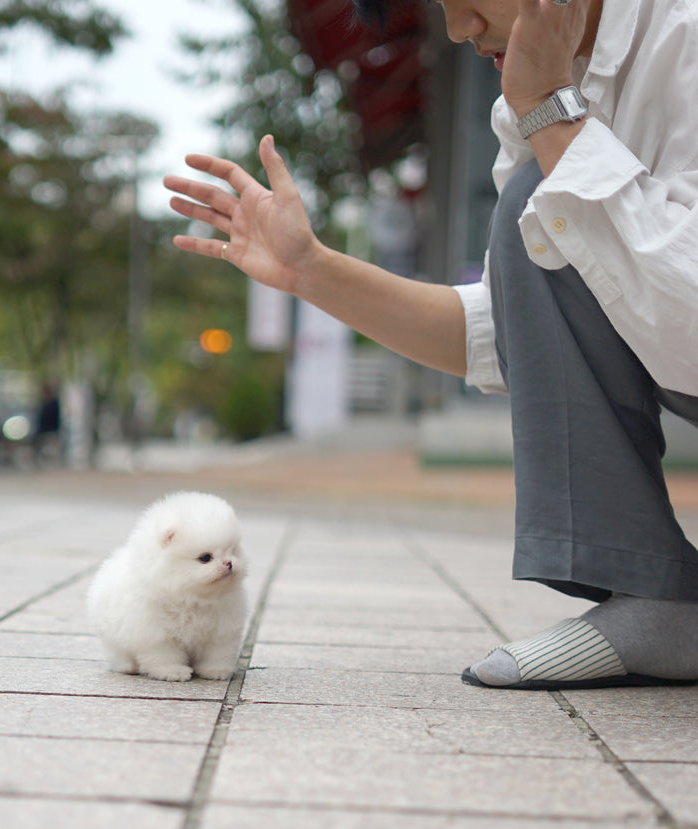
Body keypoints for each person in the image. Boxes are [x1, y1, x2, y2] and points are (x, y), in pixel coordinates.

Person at [163, 0, 698, 690]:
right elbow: (531, 328)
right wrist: (313, 272)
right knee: (539, 214)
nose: (456, 29)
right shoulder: (534, 91)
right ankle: (658, 599)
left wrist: (549, 111)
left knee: (549, 193)